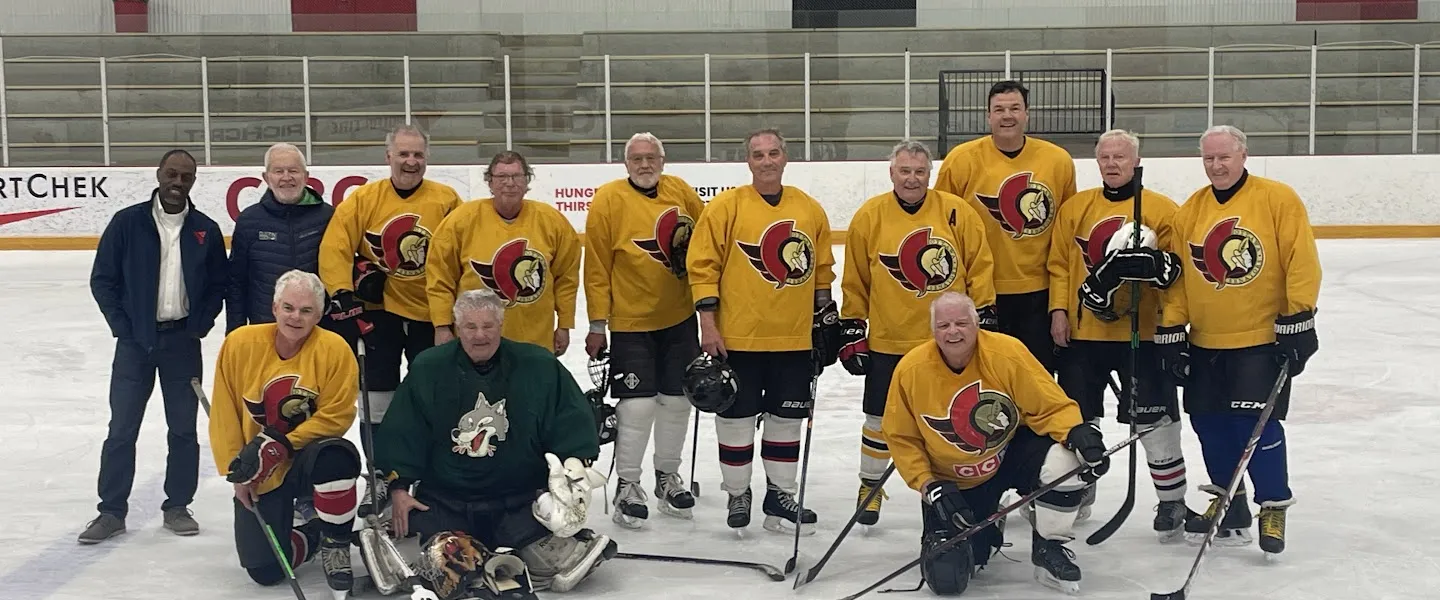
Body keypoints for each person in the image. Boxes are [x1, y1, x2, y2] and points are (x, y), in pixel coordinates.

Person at [374, 288, 615, 594]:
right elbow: (403, 431)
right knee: (436, 556)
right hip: (446, 500)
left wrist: (573, 473)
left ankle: (529, 548)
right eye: (470, 327)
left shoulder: (538, 365)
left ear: (501, 325)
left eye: (488, 326)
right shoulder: (428, 368)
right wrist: (398, 488)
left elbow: (569, 420)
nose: (480, 336)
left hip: (518, 500)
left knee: (552, 556)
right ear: (457, 327)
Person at [1155, 125, 1320, 556]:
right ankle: (1231, 502)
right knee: (1209, 425)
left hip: (1261, 338)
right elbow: (1178, 279)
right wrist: (1173, 331)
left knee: (1255, 425)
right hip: (1206, 341)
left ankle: (1273, 504)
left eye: (1224, 157)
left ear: (1243, 154)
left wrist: (1299, 318)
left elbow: (1300, 259)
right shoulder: (1190, 209)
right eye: (1208, 158)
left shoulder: (1277, 199)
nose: (1216, 165)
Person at [882, 292, 1108, 595]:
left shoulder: (1006, 352)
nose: (953, 332)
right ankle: (990, 525)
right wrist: (927, 485)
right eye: (944, 325)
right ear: (932, 329)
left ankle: (1050, 545)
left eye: (962, 323)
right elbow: (901, 437)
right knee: (948, 576)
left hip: (1011, 452)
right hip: (955, 481)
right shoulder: (911, 370)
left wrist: (1079, 435)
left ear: (977, 324)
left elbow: (1050, 406)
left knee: (1066, 461)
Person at [839, 139, 997, 527]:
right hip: (889, 341)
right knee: (878, 419)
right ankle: (870, 486)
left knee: (954, 419)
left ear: (931, 174)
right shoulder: (870, 216)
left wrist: (984, 315)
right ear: (891, 173)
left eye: (920, 171)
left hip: (949, 342)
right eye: (904, 171)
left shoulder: (957, 212)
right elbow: (856, 279)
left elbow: (980, 266)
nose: (912, 178)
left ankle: (957, 488)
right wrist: (853, 325)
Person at [687, 128, 837, 534]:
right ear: (748, 162)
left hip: (793, 338)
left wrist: (824, 314)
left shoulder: (809, 208)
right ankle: (738, 493)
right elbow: (703, 267)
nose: (767, 160)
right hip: (738, 338)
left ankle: (780, 496)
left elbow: (821, 267)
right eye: (758, 155)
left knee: (785, 422)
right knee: (735, 419)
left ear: (785, 158)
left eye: (773, 153)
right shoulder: (725, 207)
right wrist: (708, 324)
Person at [1047, 128, 1193, 539]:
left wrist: (1168, 322)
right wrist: (1059, 311)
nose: (1112, 164)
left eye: (1120, 157)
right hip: (1084, 334)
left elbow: (1176, 274)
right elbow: (1059, 265)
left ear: (1136, 163)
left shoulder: (1162, 210)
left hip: (1141, 335)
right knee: (1077, 419)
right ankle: (1080, 489)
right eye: (1106, 157)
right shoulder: (1076, 208)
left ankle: (1171, 500)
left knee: (1155, 420)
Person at [81, 149, 228, 544]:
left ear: (194, 182)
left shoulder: (205, 230)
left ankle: (178, 505)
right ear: (159, 175)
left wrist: (200, 323)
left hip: (182, 342)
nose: (177, 183)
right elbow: (103, 280)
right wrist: (123, 328)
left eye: (186, 177)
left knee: (183, 429)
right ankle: (111, 512)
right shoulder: (127, 223)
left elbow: (219, 284)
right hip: (134, 344)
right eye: (172, 174)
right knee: (121, 429)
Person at [317, 123, 463, 502]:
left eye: (417, 154)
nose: (410, 161)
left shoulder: (446, 200)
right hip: (378, 313)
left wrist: (452, 314)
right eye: (403, 154)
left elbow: (461, 253)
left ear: (426, 158)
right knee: (377, 398)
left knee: (431, 397)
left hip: (430, 315)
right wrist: (343, 291)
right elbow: (335, 247)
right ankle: (380, 475)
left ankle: (427, 474)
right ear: (388, 157)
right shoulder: (364, 199)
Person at [208, 270, 362, 595]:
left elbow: (338, 415)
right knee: (264, 570)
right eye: (289, 307)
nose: (296, 317)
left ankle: (337, 542)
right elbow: (224, 415)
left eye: (306, 311)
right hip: (262, 471)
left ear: (319, 315)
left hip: (309, 459)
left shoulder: (334, 349)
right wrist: (240, 476)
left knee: (337, 454)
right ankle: (315, 534)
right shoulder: (239, 344)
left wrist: (282, 445)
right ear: (274, 307)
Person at [582, 132, 705, 528]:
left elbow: (705, 248)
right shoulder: (608, 200)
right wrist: (597, 323)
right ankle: (628, 485)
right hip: (631, 321)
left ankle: (667, 477)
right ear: (626, 163)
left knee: (677, 401)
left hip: (680, 316)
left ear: (663, 161)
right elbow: (597, 264)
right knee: (636, 405)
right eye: (637, 158)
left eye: (651, 157)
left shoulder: (682, 192)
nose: (645, 164)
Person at [935, 80, 1077, 372]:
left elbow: (1066, 233)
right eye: (999, 109)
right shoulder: (961, 161)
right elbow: (942, 230)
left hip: (1039, 292)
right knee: (987, 376)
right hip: (981, 293)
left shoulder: (1057, 160)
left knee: (1035, 377)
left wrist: (1061, 301)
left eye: (1015, 108)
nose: (1007, 115)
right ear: (988, 116)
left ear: (1027, 113)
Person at [427, 151, 580, 356]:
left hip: (535, 340)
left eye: (517, 176)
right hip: (477, 341)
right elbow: (440, 277)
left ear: (527, 181)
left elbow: (566, 278)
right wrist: (442, 326)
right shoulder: (461, 221)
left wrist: (564, 324)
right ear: (489, 182)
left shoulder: (553, 221)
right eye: (501, 177)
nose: (510, 183)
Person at [227, 143, 335, 333]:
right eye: (278, 171)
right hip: (265, 328)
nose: (286, 177)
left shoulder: (328, 217)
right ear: (266, 178)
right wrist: (235, 332)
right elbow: (236, 282)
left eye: (293, 170)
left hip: (318, 329)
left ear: (306, 176)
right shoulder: (249, 221)